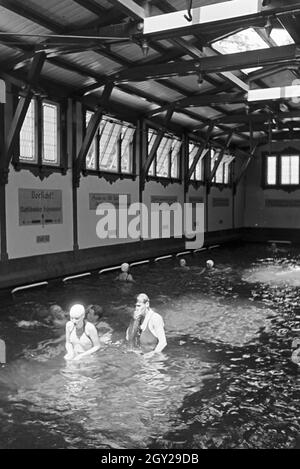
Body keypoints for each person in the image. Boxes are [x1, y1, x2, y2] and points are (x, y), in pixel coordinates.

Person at [127, 293, 167, 357]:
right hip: (141, 357)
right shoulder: (137, 319)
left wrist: (150, 355)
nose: (136, 309)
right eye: (135, 306)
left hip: (155, 359)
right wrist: (134, 321)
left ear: (147, 304)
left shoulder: (155, 318)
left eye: (139, 306)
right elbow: (129, 339)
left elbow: (163, 343)